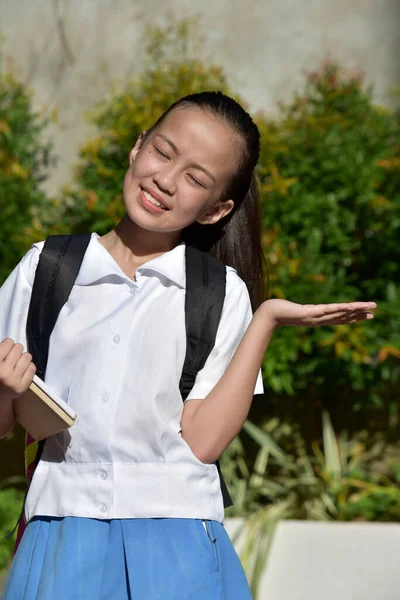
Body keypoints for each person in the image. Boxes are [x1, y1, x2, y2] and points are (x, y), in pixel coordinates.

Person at [0, 91, 376, 600]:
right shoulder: (46, 268)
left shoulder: (222, 293)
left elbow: (203, 443)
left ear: (216, 208)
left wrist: (264, 320)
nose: (166, 180)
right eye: (163, 151)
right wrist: (5, 391)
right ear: (137, 148)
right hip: (63, 533)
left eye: (196, 178)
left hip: (177, 544)